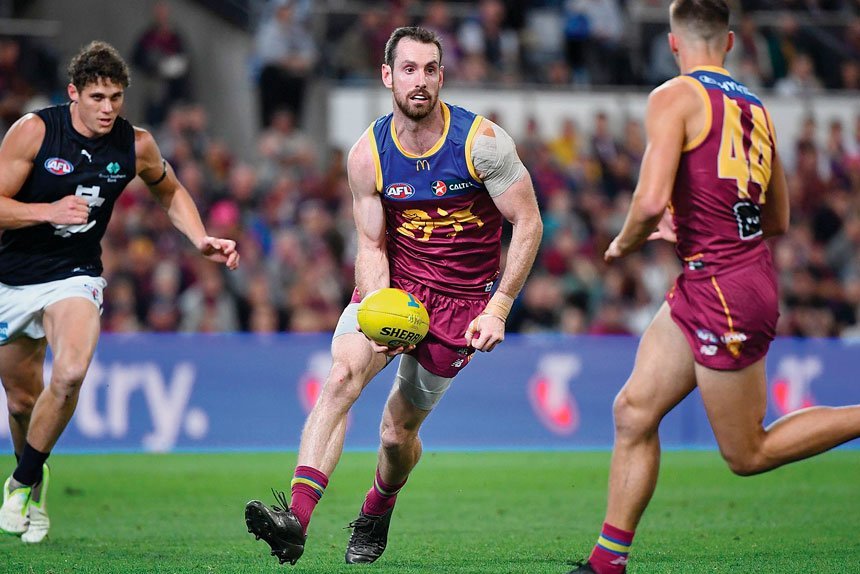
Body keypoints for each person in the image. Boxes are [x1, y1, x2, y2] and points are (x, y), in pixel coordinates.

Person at [567, 2, 860, 573]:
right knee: (632, 411)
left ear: (674, 46)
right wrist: (699, 222)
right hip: (719, 275)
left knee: (747, 453)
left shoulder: (672, 96)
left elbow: (649, 201)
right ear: (728, 42)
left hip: (724, 287)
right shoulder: (756, 110)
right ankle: (607, 563)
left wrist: (627, 241)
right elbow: (776, 219)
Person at [244, 26, 542, 565]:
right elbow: (370, 242)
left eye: (430, 69)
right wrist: (382, 309)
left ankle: (378, 506)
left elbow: (528, 223)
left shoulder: (482, 143)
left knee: (394, 435)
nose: (420, 81)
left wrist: (499, 306)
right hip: (395, 284)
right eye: (409, 69)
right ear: (387, 76)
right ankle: (296, 519)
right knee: (340, 377)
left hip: (460, 304)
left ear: (442, 76)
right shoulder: (367, 155)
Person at [0, 41, 239, 543]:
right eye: (97, 97)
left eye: (116, 97)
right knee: (23, 403)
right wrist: (47, 211)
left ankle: (20, 483)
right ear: (74, 94)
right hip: (12, 278)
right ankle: (34, 481)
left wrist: (200, 239)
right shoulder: (35, 132)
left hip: (75, 275)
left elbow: (167, 187)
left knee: (68, 374)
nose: (108, 108)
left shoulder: (136, 143)